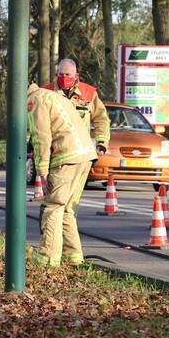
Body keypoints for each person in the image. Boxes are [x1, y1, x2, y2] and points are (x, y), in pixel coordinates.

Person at [27, 82, 98, 267]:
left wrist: (42, 172)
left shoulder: (35, 100)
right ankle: (73, 257)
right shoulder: (52, 96)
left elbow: (41, 137)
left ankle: (47, 260)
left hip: (67, 157)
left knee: (53, 207)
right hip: (85, 156)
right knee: (66, 209)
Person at [41, 58, 110, 157]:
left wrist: (102, 142)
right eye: (61, 74)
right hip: (54, 151)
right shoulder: (45, 92)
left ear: (76, 75)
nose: (64, 77)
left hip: (81, 152)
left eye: (67, 74)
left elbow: (101, 119)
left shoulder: (89, 93)